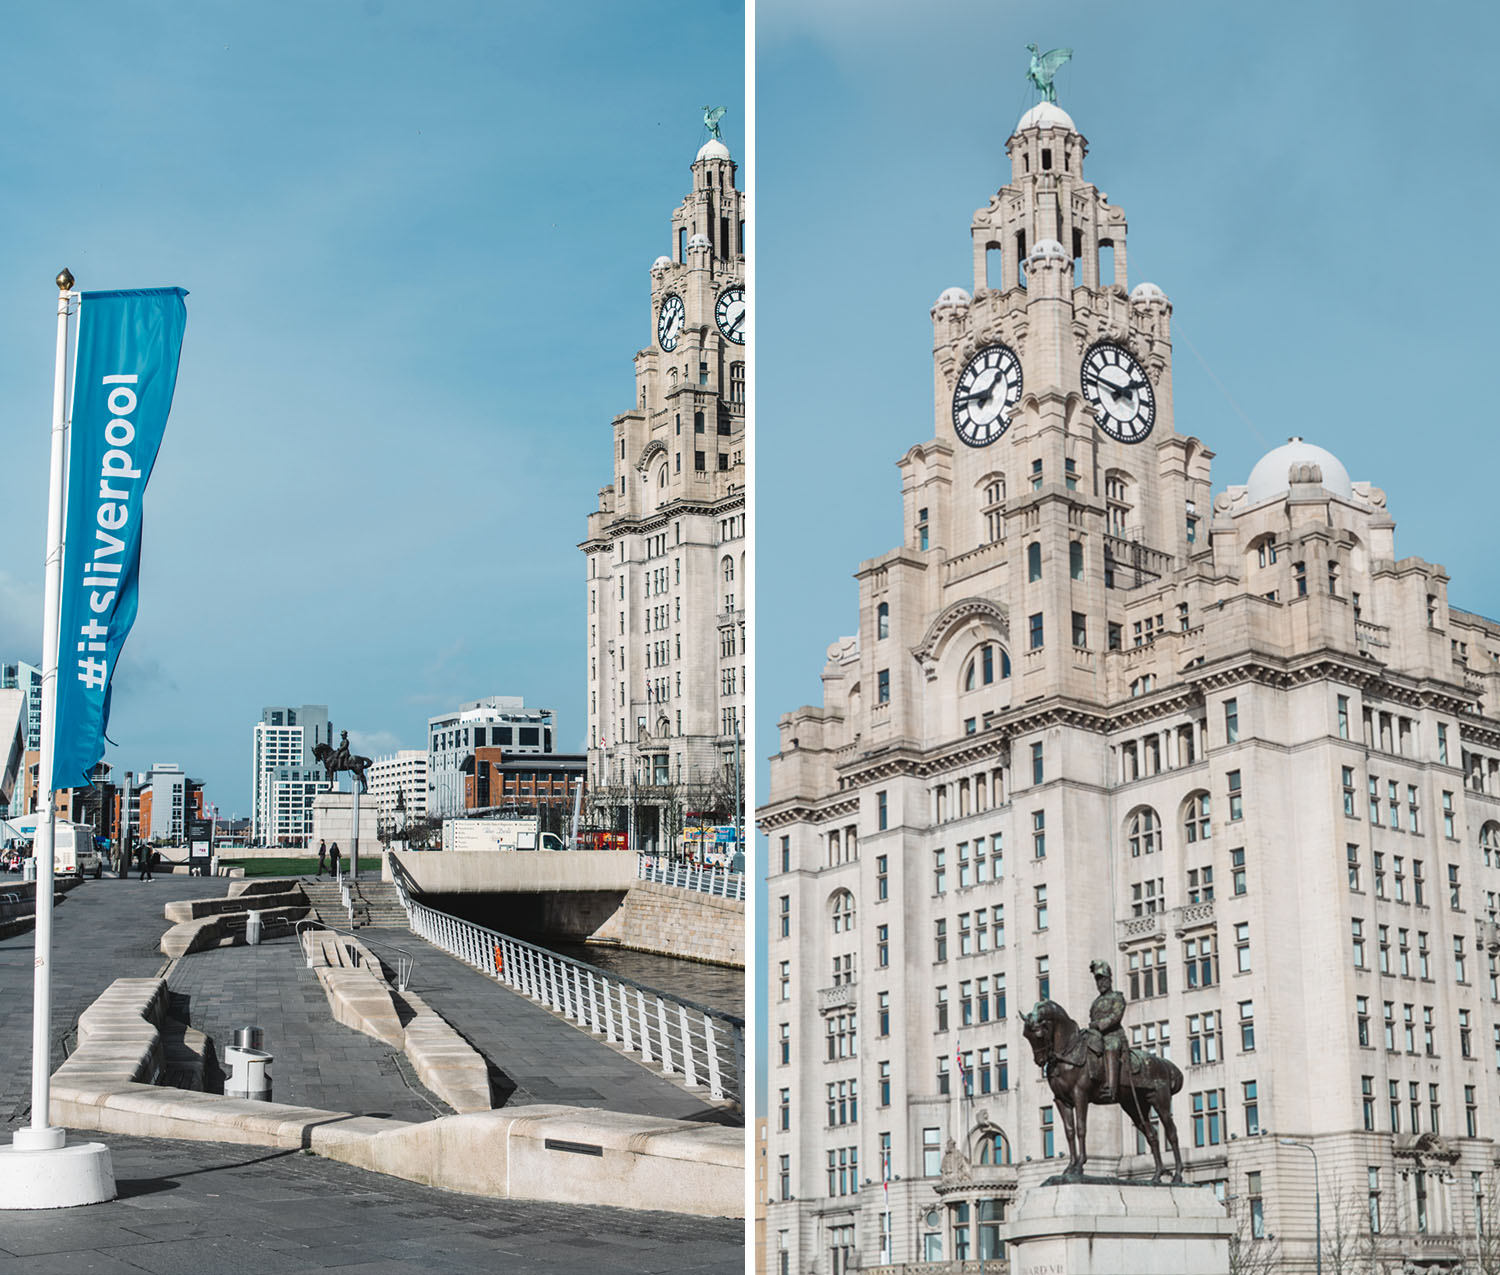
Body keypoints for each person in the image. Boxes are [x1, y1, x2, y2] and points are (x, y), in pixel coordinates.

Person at [1088, 958, 1127, 1100]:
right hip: (1097, 1036)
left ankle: (1111, 1088)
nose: (1101, 983)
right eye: (1098, 981)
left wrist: (1099, 1024)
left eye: (1103, 980)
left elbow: (1116, 1016)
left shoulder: (1117, 997)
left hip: (1114, 1035)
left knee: (1111, 1046)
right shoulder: (1095, 1003)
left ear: (1110, 980)